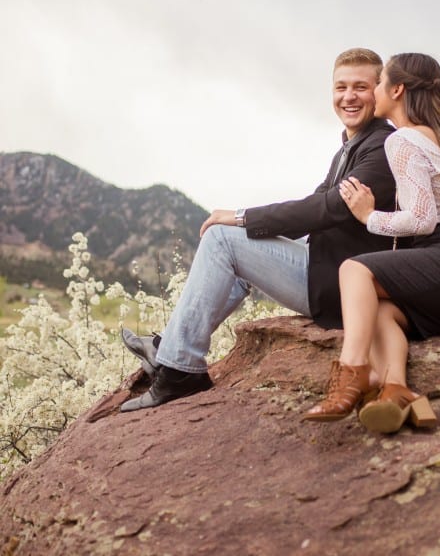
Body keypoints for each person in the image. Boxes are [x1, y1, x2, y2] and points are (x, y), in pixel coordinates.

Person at [120, 48, 405, 411]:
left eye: (361, 87)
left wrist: (241, 217)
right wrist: (256, 229)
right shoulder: (352, 147)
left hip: (343, 287)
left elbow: (326, 209)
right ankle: (170, 348)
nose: (348, 96)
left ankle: (179, 370)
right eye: (341, 87)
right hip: (329, 267)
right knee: (236, 248)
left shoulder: (381, 146)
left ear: (379, 90)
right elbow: (314, 205)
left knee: (223, 238)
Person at [303, 52, 440, 434]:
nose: (371, 91)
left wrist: (368, 216)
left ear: (397, 89)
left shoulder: (401, 139)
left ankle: (353, 373)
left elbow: (422, 221)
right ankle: (398, 390)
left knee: (355, 269)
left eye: (377, 82)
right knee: (381, 312)